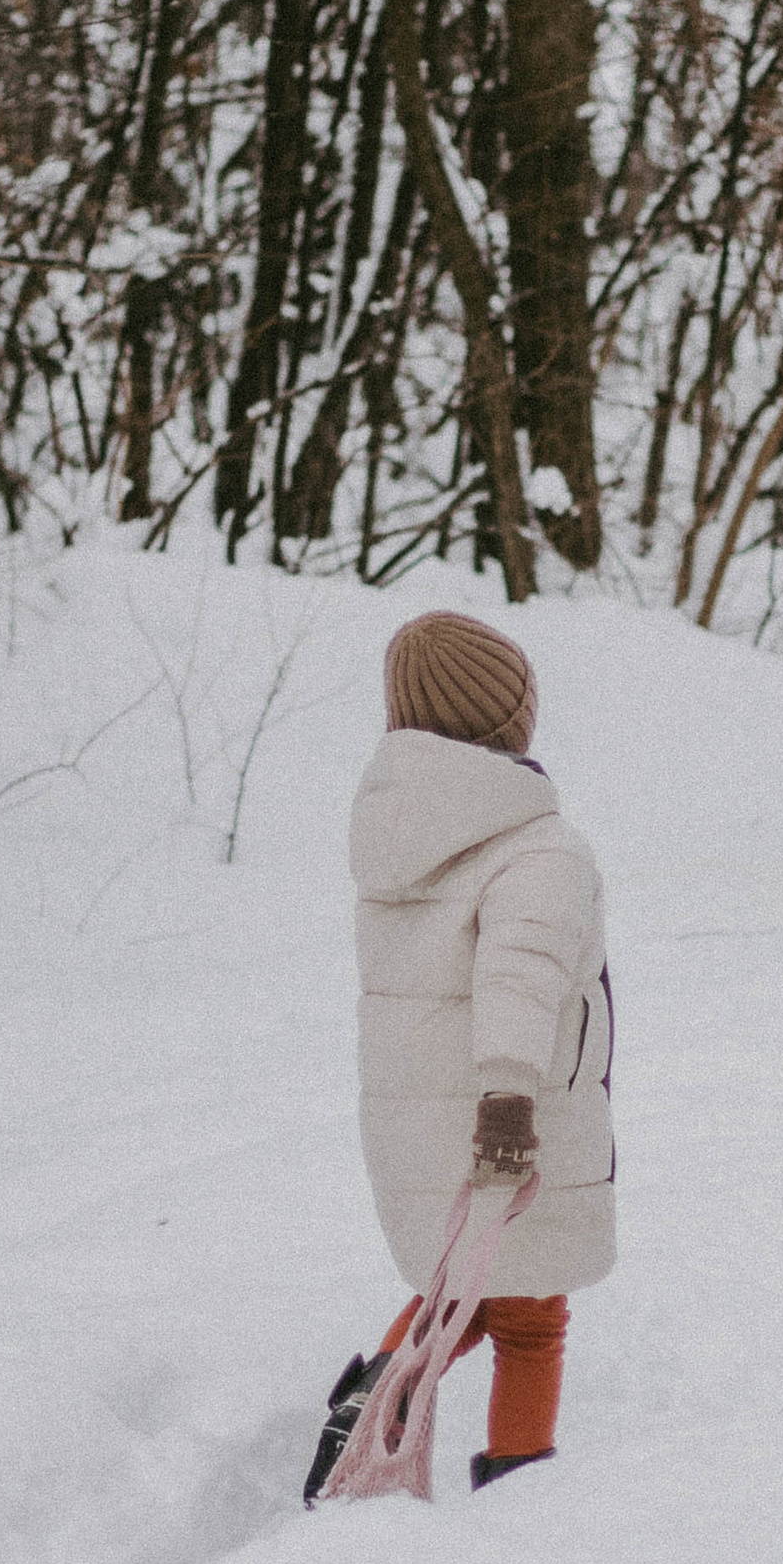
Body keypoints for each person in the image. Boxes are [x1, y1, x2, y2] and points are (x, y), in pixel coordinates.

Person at [304, 610, 615, 1502]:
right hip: (502, 1119)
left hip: (420, 1123)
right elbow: (517, 985)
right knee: (532, 1317)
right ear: (504, 721)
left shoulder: (400, 840)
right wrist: (512, 1107)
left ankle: (376, 1396)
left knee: (468, 1293)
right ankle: (519, 1492)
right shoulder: (538, 847)